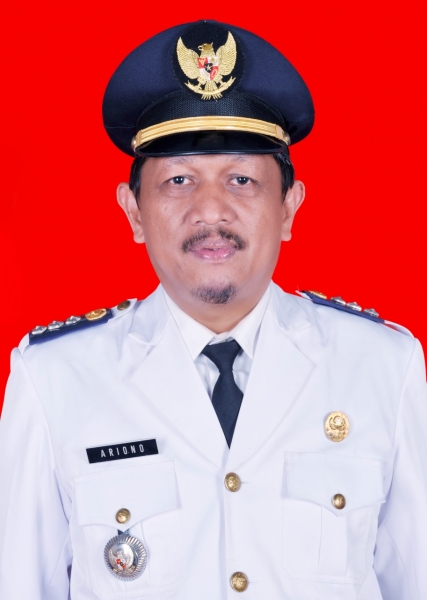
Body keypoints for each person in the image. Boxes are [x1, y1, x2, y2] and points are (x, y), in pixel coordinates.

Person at [0, 19, 426, 600]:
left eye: (242, 179)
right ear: (133, 212)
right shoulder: (54, 379)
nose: (210, 211)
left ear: (289, 207)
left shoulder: (382, 367)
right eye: (179, 179)